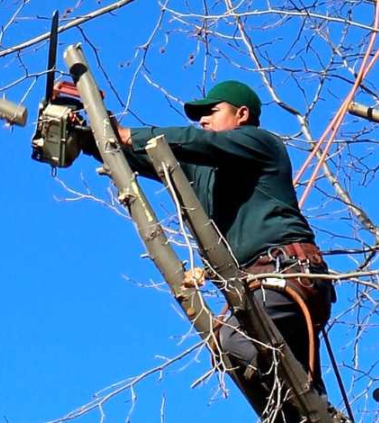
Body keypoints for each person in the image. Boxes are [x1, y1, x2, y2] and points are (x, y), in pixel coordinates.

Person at [79, 80, 336, 421]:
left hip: (286, 273)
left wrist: (128, 134)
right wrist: (92, 133)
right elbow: (143, 156)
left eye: (211, 112)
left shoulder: (261, 143)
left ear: (241, 114)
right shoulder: (202, 169)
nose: (202, 121)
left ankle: (315, 407)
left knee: (231, 340)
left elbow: (192, 142)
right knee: (281, 401)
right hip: (257, 287)